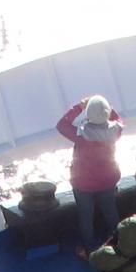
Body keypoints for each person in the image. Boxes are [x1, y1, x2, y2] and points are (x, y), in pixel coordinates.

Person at [57, 97, 125, 256]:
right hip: (108, 180)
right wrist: (107, 107)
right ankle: (117, 244)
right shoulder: (116, 130)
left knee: (86, 217)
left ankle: (89, 251)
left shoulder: (80, 134)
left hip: (83, 184)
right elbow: (118, 119)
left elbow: (61, 125)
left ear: (88, 115)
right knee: (111, 212)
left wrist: (79, 106)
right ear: (106, 114)